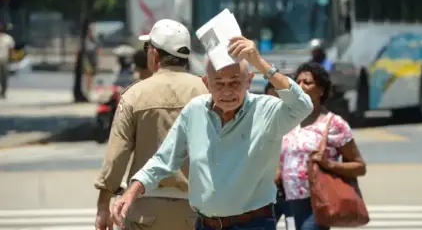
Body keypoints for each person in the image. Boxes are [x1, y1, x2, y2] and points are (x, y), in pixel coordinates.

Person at [111, 36, 314, 230]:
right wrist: (131, 192)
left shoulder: (266, 110)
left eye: (234, 82)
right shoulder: (194, 111)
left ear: (249, 80)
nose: (227, 91)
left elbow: (303, 105)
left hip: (253, 223)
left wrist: (260, 63)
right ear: (206, 83)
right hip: (205, 224)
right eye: (219, 83)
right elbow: (164, 159)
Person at [94, 19, 209, 230]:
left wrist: (103, 206)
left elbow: (116, 156)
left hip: (144, 210)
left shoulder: (134, 95)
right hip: (198, 210)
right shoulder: (207, 92)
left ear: (154, 54)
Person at [279, 62, 366, 230]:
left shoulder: (334, 123)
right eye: (298, 82)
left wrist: (329, 164)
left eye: (307, 82)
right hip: (290, 200)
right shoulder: (289, 120)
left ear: (321, 90)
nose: (301, 86)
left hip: (318, 200)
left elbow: (359, 166)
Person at [264, 82, 294, 230]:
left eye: (280, 98)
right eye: (272, 97)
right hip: (267, 196)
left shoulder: (299, 123)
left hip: (294, 195)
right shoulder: (259, 125)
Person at [0, 23, 14, 98]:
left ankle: (3, 92)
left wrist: (11, 58)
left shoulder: (8, 38)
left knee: (4, 77)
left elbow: (11, 49)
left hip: (4, 59)